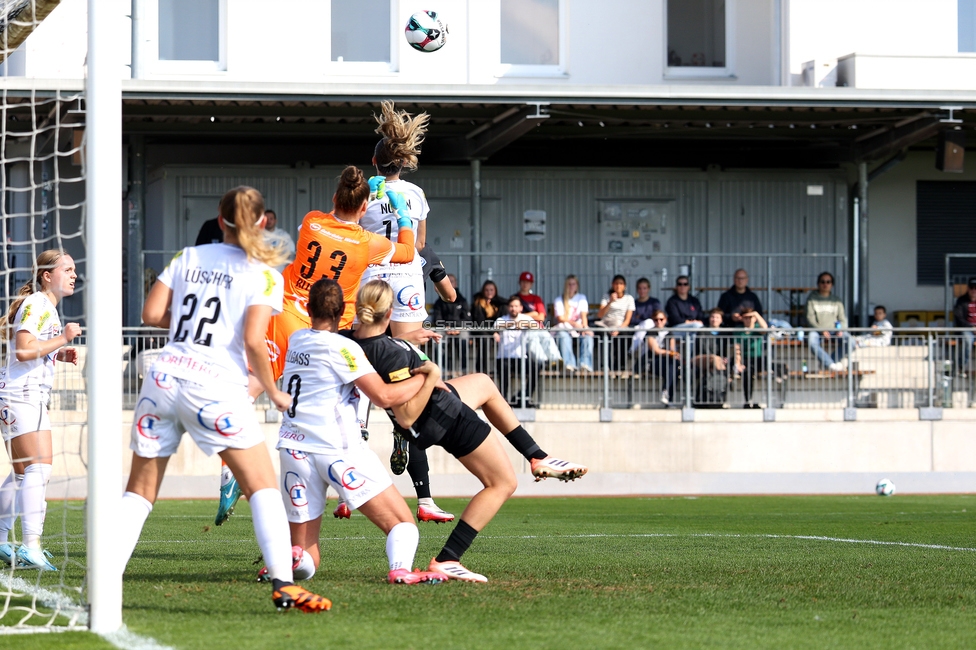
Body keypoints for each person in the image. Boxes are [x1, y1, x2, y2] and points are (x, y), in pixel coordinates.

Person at [119, 186, 330, 612]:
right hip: (214, 385)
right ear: (261, 222)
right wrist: (272, 391)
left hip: (162, 377)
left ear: (219, 220)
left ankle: (103, 584)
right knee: (263, 487)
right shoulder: (264, 273)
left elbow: (151, 315)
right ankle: (284, 585)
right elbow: (254, 341)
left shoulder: (189, 257)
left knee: (139, 493)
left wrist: (194, 322)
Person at [215, 166, 423, 528]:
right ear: (363, 209)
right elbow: (407, 251)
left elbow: (333, 220)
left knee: (257, 383)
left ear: (333, 199)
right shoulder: (365, 244)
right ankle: (347, 472)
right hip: (326, 327)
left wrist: (360, 200)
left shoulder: (312, 221)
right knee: (340, 397)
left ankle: (230, 464)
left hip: (286, 312)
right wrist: (400, 212)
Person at [350, 280, 587, 583]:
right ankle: (448, 559)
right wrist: (430, 375)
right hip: (442, 416)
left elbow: (375, 345)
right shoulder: (388, 351)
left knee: (484, 383)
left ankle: (538, 457)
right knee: (502, 483)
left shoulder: (353, 340)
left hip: (437, 403)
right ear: (389, 314)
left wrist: (408, 339)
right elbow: (407, 416)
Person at [267, 278, 447, 585]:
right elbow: (384, 397)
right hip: (337, 450)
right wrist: (427, 376)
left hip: (293, 449)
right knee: (403, 525)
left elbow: (358, 339)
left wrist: (402, 338)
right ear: (343, 311)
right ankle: (401, 570)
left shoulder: (297, 339)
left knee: (309, 552)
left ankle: (289, 560)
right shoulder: (345, 348)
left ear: (308, 308)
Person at [0, 250, 81, 570]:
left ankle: (3, 541)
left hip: (21, 395)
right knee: (38, 469)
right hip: (22, 396)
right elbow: (22, 349)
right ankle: (31, 546)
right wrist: (62, 337)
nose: (74, 274)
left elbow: (29, 349)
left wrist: (57, 354)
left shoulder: (42, 305)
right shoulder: (38, 304)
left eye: (75, 270)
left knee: (22, 473)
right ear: (47, 275)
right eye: (67, 269)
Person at [358, 101, 431, 337]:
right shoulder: (416, 193)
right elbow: (419, 245)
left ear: (374, 161)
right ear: (403, 161)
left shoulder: (363, 194)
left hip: (372, 273)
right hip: (406, 273)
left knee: (368, 349)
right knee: (407, 349)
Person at [494, 295, 543, 408]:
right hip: (504, 357)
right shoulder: (502, 319)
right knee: (503, 371)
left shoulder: (524, 318)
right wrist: (515, 324)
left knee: (535, 367)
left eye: (516, 306)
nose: (513, 309)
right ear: (507, 307)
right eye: (511, 306)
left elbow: (536, 325)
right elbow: (497, 326)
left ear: (521, 308)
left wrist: (525, 324)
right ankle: (503, 400)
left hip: (521, 357)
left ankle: (525, 397)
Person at [804, 271, 849, 371]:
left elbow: (842, 319)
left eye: (828, 282)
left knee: (851, 342)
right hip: (817, 330)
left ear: (832, 284)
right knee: (811, 341)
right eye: (822, 281)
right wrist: (822, 330)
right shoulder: (811, 299)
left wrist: (840, 329)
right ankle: (830, 364)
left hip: (834, 330)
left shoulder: (836, 300)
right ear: (818, 283)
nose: (825, 284)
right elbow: (810, 319)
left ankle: (830, 362)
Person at [428, 274, 471, 378]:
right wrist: (446, 327)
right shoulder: (439, 302)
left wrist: (457, 328)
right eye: (448, 281)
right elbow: (437, 319)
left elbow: (467, 318)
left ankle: (464, 368)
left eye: (452, 281)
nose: (450, 284)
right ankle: (442, 368)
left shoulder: (463, 301)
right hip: (444, 329)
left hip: (460, 328)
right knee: (437, 337)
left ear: (456, 284)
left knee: (464, 338)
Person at [634, 310, 679, 406]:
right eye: (656, 320)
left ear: (665, 320)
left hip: (667, 363)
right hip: (652, 362)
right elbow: (656, 351)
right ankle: (668, 396)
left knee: (674, 366)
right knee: (673, 367)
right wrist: (670, 353)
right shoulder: (651, 332)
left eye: (661, 319)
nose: (659, 322)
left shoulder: (669, 332)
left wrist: (672, 353)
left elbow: (672, 348)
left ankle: (666, 394)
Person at [552, 275, 594, 372]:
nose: (571, 286)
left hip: (579, 329)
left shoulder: (582, 298)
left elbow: (584, 315)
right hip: (565, 328)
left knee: (587, 337)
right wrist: (575, 324)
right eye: (569, 284)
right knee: (563, 336)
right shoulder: (559, 299)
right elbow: (561, 318)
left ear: (577, 286)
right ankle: (569, 364)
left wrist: (585, 328)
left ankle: (585, 364)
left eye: (573, 284)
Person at [596, 275, 635, 370]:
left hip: (620, 325)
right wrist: (610, 302)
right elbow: (600, 315)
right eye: (616, 283)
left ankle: (620, 365)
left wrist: (619, 329)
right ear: (612, 285)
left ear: (624, 286)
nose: (618, 286)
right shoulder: (606, 297)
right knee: (603, 335)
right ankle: (605, 365)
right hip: (606, 324)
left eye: (621, 283)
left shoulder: (629, 298)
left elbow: (627, 319)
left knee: (624, 336)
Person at [737, 310, 772, 408]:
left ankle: (760, 401)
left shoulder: (757, 328)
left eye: (750, 317)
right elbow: (737, 348)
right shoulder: (739, 329)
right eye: (745, 318)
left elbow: (765, 328)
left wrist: (756, 313)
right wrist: (738, 363)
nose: (748, 320)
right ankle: (748, 401)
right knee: (746, 373)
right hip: (745, 359)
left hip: (758, 358)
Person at [471, 280, 505, 374]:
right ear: (483, 291)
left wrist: (497, 331)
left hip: (496, 329)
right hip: (481, 329)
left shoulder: (499, 303)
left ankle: (501, 370)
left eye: (491, 290)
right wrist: (493, 333)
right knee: (485, 339)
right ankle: (482, 370)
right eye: (486, 290)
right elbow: (479, 321)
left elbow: (507, 303)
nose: (489, 292)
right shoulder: (478, 302)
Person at [953, 279, 976, 372]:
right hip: (967, 329)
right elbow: (959, 317)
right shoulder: (961, 301)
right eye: (971, 288)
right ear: (968, 289)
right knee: (967, 340)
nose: (974, 290)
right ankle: (961, 365)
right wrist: (971, 327)